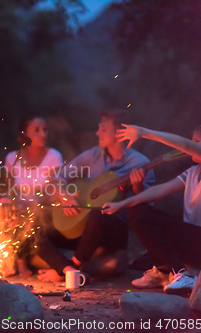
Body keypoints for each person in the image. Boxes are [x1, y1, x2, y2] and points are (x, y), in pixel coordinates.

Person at [36, 109, 155, 282]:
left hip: (113, 232)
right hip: (82, 229)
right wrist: (65, 196)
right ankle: (65, 268)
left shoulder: (140, 163)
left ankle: (72, 269)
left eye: (103, 129)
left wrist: (137, 186)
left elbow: (144, 211)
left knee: (99, 213)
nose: (97, 132)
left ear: (120, 133)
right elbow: (58, 178)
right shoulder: (93, 155)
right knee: (35, 225)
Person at [103, 123, 201, 295]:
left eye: (197, 142)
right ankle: (163, 271)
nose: (192, 146)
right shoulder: (193, 172)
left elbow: (186, 145)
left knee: (144, 216)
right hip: (195, 242)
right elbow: (158, 190)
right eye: (193, 141)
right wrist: (121, 204)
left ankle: (182, 275)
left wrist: (144, 132)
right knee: (138, 211)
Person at [4, 114, 63, 276]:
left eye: (45, 130)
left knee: (27, 214)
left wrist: (32, 203)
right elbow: (8, 189)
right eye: (36, 130)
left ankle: (21, 262)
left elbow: (54, 189)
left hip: (45, 213)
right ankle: (12, 259)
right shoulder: (11, 158)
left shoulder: (53, 157)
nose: (43, 134)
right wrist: (9, 203)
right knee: (8, 212)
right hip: (18, 214)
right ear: (24, 134)